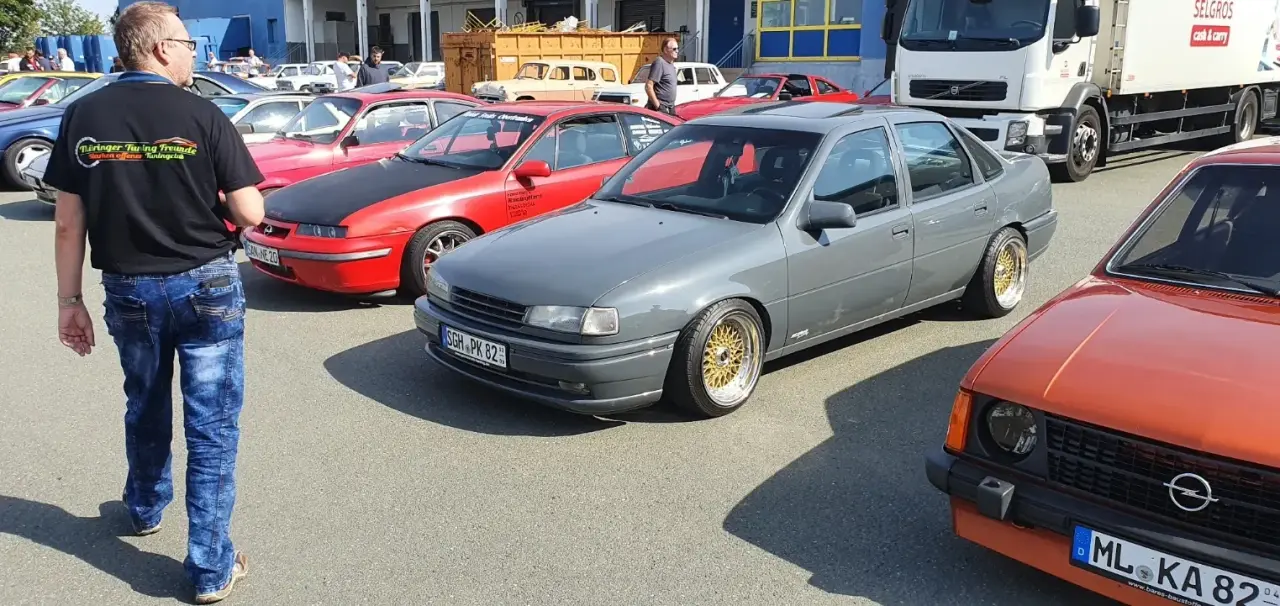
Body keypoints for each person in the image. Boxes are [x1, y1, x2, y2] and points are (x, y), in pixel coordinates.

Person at [44, 1, 265, 603]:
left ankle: (145, 507)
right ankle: (211, 568)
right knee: (212, 427)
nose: (194, 53)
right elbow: (250, 212)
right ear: (162, 48)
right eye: (189, 44)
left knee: (144, 402)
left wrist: (69, 300)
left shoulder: (84, 113)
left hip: (129, 289)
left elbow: (67, 223)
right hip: (207, 286)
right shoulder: (203, 113)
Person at [644, 37, 679, 115]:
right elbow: (648, 86)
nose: (677, 51)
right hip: (661, 108)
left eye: (677, 48)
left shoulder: (671, 64)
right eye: (674, 49)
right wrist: (658, 106)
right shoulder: (659, 62)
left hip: (670, 107)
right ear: (666, 50)